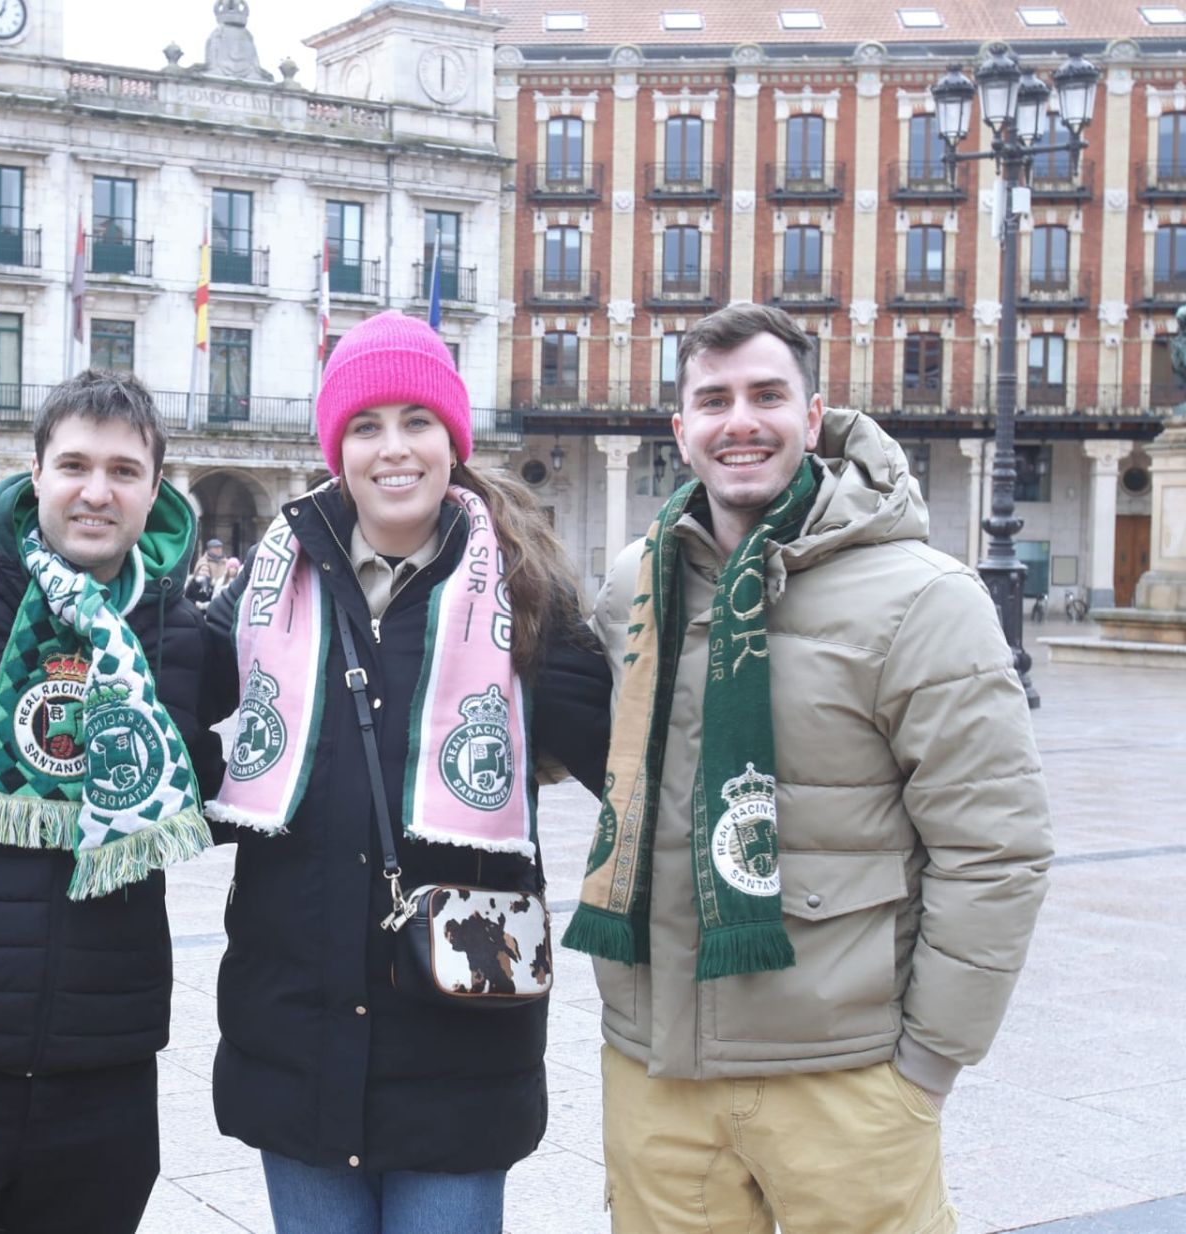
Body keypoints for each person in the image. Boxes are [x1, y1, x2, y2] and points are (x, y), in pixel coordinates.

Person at [565, 303, 1053, 1233]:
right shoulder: (637, 580)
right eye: (712, 399)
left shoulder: (924, 597)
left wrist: (926, 1067)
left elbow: (997, 848)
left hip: (844, 1078)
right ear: (680, 428)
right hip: (655, 1074)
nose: (738, 421)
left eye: (765, 395)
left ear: (815, 411)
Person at [200, 311, 612, 1234]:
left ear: (452, 441)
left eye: (417, 421)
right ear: (336, 447)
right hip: (297, 1035)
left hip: (462, 1046)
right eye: (365, 425)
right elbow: (164, 732)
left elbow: (640, 767)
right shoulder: (267, 586)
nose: (394, 449)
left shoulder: (527, 595)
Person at [0, 370, 222, 1234]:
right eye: (75, 466)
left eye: (125, 472)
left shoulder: (184, 636)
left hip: (106, 1066)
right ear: (34, 472)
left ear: (155, 488)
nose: (97, 492)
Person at [186, 537, 231, 604]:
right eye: (216, 548)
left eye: (220, 548)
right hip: (207, 594)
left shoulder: (226, 562)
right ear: (210, 549)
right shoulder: (203, 561)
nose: (219, 550)